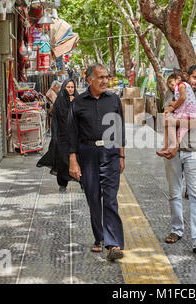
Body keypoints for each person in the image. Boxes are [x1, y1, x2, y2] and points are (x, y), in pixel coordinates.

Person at [67, 64, 126, 261]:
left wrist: (121, 156)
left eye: (106, 77)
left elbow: (120, 130)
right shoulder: (78, 102)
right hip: (88, 153)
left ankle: (113, 243)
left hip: (110, 153)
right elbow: (71, 133)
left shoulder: (114, 100)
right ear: (89, 79)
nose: (104, 81)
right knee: (94, 198)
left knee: (110, 198)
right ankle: (99, 237)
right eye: (100, 77)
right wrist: (73, 161)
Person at [162, 65, 196, 254]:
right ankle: (176, 230)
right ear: (187, 77)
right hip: (173, 151)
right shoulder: (172, 94)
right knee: (175, 193)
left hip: (193, 151)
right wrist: (185, 120)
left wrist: (176, 118)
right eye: (194, 78)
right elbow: (165, 119)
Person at [37, 79, 79, 192]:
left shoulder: (78, 101)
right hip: (62, 137)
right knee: (63, 161)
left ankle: (82, 183)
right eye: (68, 87)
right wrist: (54, 137)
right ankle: (62, 183)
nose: (70, 89)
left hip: (76, 137)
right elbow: (55, 121)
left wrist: (74, 103)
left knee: (78, 160)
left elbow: (82, 117)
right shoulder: (59, 102)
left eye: (72, 87)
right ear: (64, 88)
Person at [156, 71, 196, 159]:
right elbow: (181, 101)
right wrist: (172, 104)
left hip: (187, 114)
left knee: (168, 120)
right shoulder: (177, 90)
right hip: (189, 115)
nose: (171, 86)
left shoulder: (181, 85)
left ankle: (167, 146)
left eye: (171, 82)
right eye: (169, 85)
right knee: (178, 136)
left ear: (178, 78)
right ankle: (170, 149)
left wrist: (171, 107)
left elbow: (182, 98)